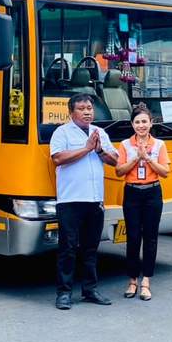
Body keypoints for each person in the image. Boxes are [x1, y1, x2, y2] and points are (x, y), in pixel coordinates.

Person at [49, 94, 118, 309]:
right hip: (70, 200)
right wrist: (86, 148)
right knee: (68, 248)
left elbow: (115, 160)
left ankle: (90, 289)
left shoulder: (101, 133)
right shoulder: (62, 132)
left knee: (91, 248)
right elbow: (58, 158)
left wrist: (98, 150)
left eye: (90, 108)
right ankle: (64, 293)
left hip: (95, 199)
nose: (87, 111)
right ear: (71, 112)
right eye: (82, 108)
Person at [115, 104, 170, 299]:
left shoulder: (160, 145)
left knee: (150, 238)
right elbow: (119, 171)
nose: (141, 125)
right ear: (132, 124)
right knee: (133, 237)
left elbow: (165, 172)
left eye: (144, 122)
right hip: (132, 193)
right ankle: (132, 281)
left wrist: (147, 158)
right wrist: (135, 158)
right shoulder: (124, 145)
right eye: (137, 122)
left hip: (153, 193)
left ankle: (146, 281)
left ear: (151, 123)